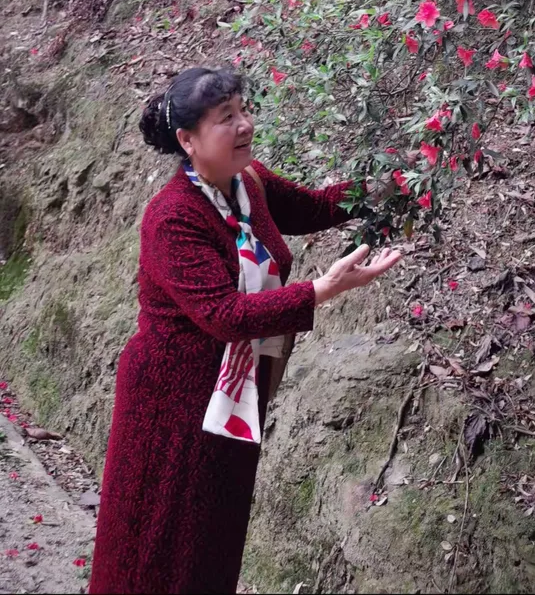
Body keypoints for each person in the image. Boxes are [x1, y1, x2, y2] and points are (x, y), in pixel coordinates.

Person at [89, 65, 401, 595]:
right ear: (188, 140)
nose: (245, 126)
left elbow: (319, 206)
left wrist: (400, 185)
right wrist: (321, 289)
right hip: (170, 406)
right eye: (226, 118)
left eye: (244, 111)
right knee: (155, 547)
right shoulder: (172, 217)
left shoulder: (246, 184)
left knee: (212, 542)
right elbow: (224, 315)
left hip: (234, 397)